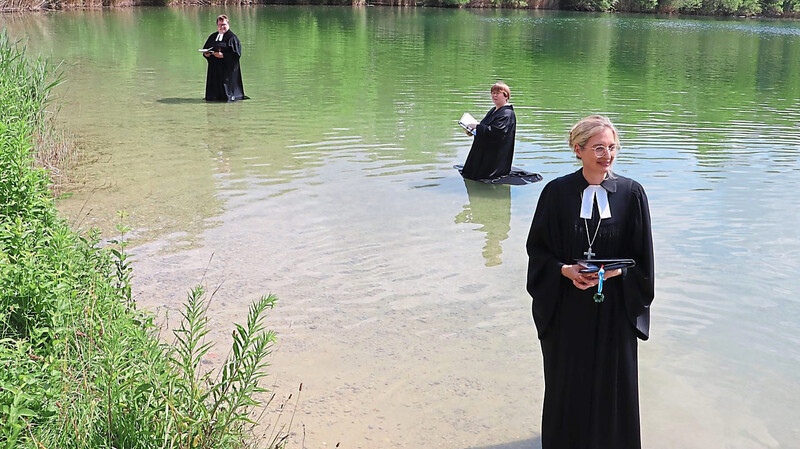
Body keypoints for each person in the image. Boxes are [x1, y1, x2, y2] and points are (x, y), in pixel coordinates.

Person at [526, 115, 654, 449]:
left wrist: (615, 272)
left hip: (615, 308)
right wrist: (564, 270)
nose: (606, 155)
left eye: (611, 147)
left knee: (613, 385)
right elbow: (538, 252)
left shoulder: (632, 194)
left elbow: (643, 261)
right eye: (598, 147)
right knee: (567, 381)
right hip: (567, 308)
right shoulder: (556, 193)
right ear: (578, 149)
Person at [461, 82, 516, 181]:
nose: (494, 95)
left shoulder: (507, 113)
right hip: (483, 150)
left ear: (506, 95)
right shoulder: (493, 110)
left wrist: (477, 127)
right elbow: (485, 126)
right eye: (493, 93)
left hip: (494, 155)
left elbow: (496, 133)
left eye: (498, 93)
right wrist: (472, 130)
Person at [202, 14, 247, 102]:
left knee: (226, 90)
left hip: (227, 69)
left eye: (224, 25)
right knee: (214, 91)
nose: (221, 27)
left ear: (228, 25)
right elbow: (206, 48)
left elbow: (236, 54)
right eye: (219, 25)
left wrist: (223, 55)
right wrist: (206, 54)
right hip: (214, 69)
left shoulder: (232, 38)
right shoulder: (213, 37)